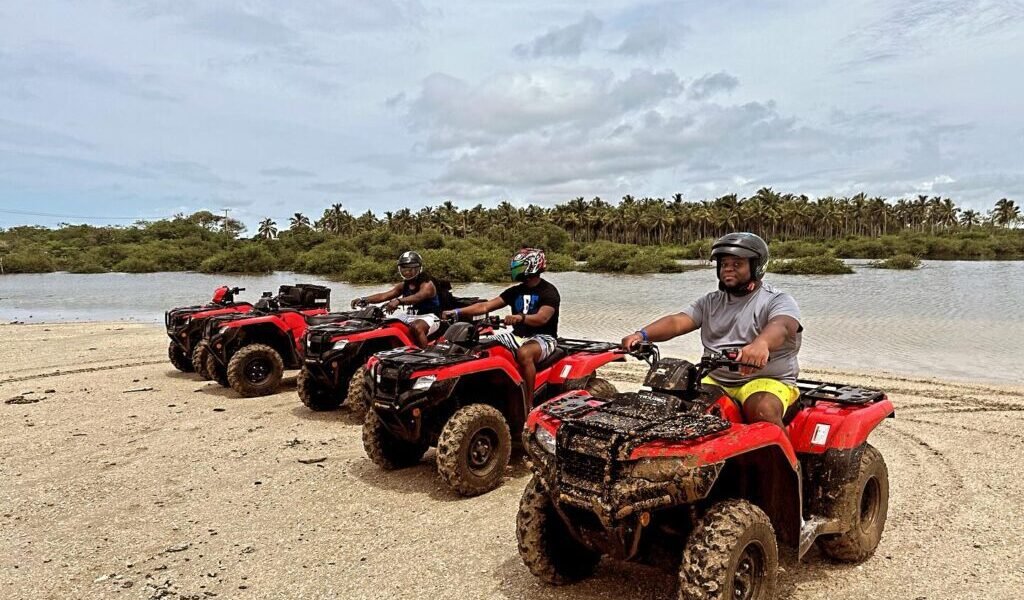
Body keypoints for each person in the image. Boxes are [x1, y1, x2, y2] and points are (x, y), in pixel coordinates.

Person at [621, 232, 802, 428]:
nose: (728, 270)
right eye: (724, 264)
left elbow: (783, 326)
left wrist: (761, 344)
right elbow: (678, 322)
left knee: (762, 410)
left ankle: (790, 460)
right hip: (716, 379)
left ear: (756, 267)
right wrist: (642, 335)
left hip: (766, 380)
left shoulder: (776, 300)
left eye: (737, 264)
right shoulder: (710, 301)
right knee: (672, 406)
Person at [441, 248, 559, 407]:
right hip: (516, 336)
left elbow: (542, 318)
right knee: (481, 345)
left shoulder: (549, 291)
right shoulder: (515, 291)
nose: (516, 271)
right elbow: (485, 306)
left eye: (519, 267)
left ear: (532, 266)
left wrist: (519, 317)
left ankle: (528, 404)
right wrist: (457, 312)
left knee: (524, 354)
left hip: (543, 337)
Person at [350, 251, 441, 348]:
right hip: (410, 315)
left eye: (411, 269)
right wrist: (364, 299)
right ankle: (396, 351)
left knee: (416, 327)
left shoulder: (427, 284)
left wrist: (398, 301)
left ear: (419, 268)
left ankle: (424, 353)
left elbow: (417, 297)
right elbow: (385, 295)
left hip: (429, 317)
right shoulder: (404, 285)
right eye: (404, 269)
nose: (407, 272)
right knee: (387, 324)